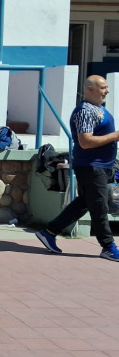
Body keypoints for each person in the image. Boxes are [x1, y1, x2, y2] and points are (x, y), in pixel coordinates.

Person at [36, 75, 119, 261]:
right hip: (91, 166)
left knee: (84, 203)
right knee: (99, 206)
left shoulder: (99, 109)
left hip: (101, 166)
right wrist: (115, 136)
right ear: (90, 89)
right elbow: (85, 142)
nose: (107, 90)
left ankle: (49, 232)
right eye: (103, 87)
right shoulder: (84, 111)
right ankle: (108, 246)